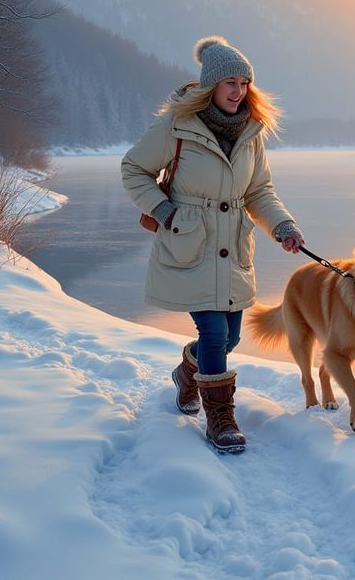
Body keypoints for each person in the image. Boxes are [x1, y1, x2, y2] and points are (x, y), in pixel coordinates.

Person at [120, 35, 305, 454]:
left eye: (244, 83)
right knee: (213, 330)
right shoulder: (176, 125)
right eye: (230, 83)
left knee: (229, 337)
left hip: (234, 248)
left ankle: (189, 374)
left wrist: (284, 227)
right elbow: (133, 168)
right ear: (211, 86)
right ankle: (220, 419)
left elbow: (260, 191)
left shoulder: (253, 132)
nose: (238, 91)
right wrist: (164, 212)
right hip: (191, 243)